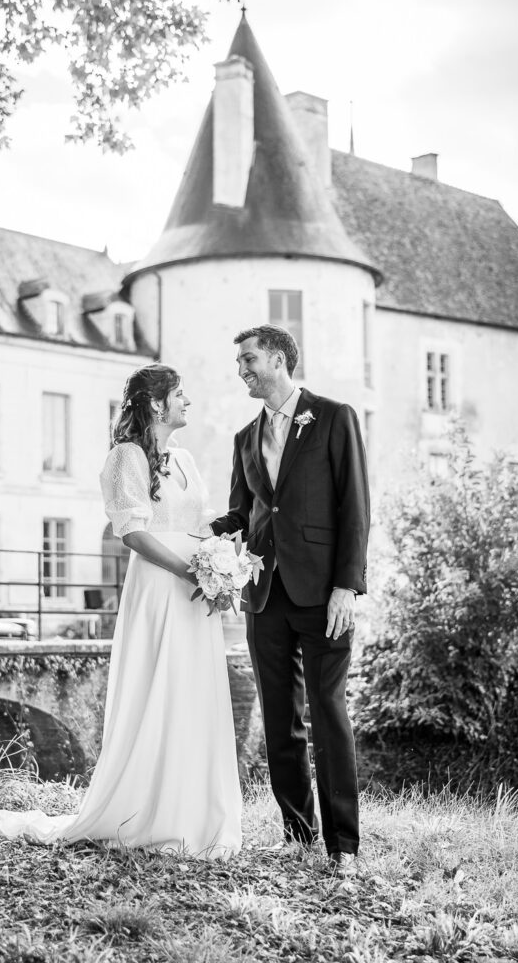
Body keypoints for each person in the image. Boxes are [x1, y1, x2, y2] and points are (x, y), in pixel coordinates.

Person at [0, 364, 242, 858]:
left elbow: (200, 522)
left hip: (195, 589)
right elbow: (133, 532)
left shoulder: (185, 459)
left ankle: (196, 811)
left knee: (192, 691)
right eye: (180, 395)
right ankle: (148, 810)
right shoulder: (126, 457)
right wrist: (188, 570)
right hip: (161, 586)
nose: (188, 402)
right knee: (156, 690)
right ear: (157, 404)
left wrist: (223, 565)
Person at [210, 325, 369, 877]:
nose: (242, 370)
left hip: (325, 593)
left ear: (278, 359)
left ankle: (343, 846)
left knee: (327, 715)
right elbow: (242, 513)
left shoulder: (333, 416)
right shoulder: (244, 438)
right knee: (281, 720)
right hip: (265, 595)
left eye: (248, 359)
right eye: (239, 362)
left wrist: (347, 586)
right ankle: (298, 835)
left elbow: (355, 505)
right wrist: (187, 529)